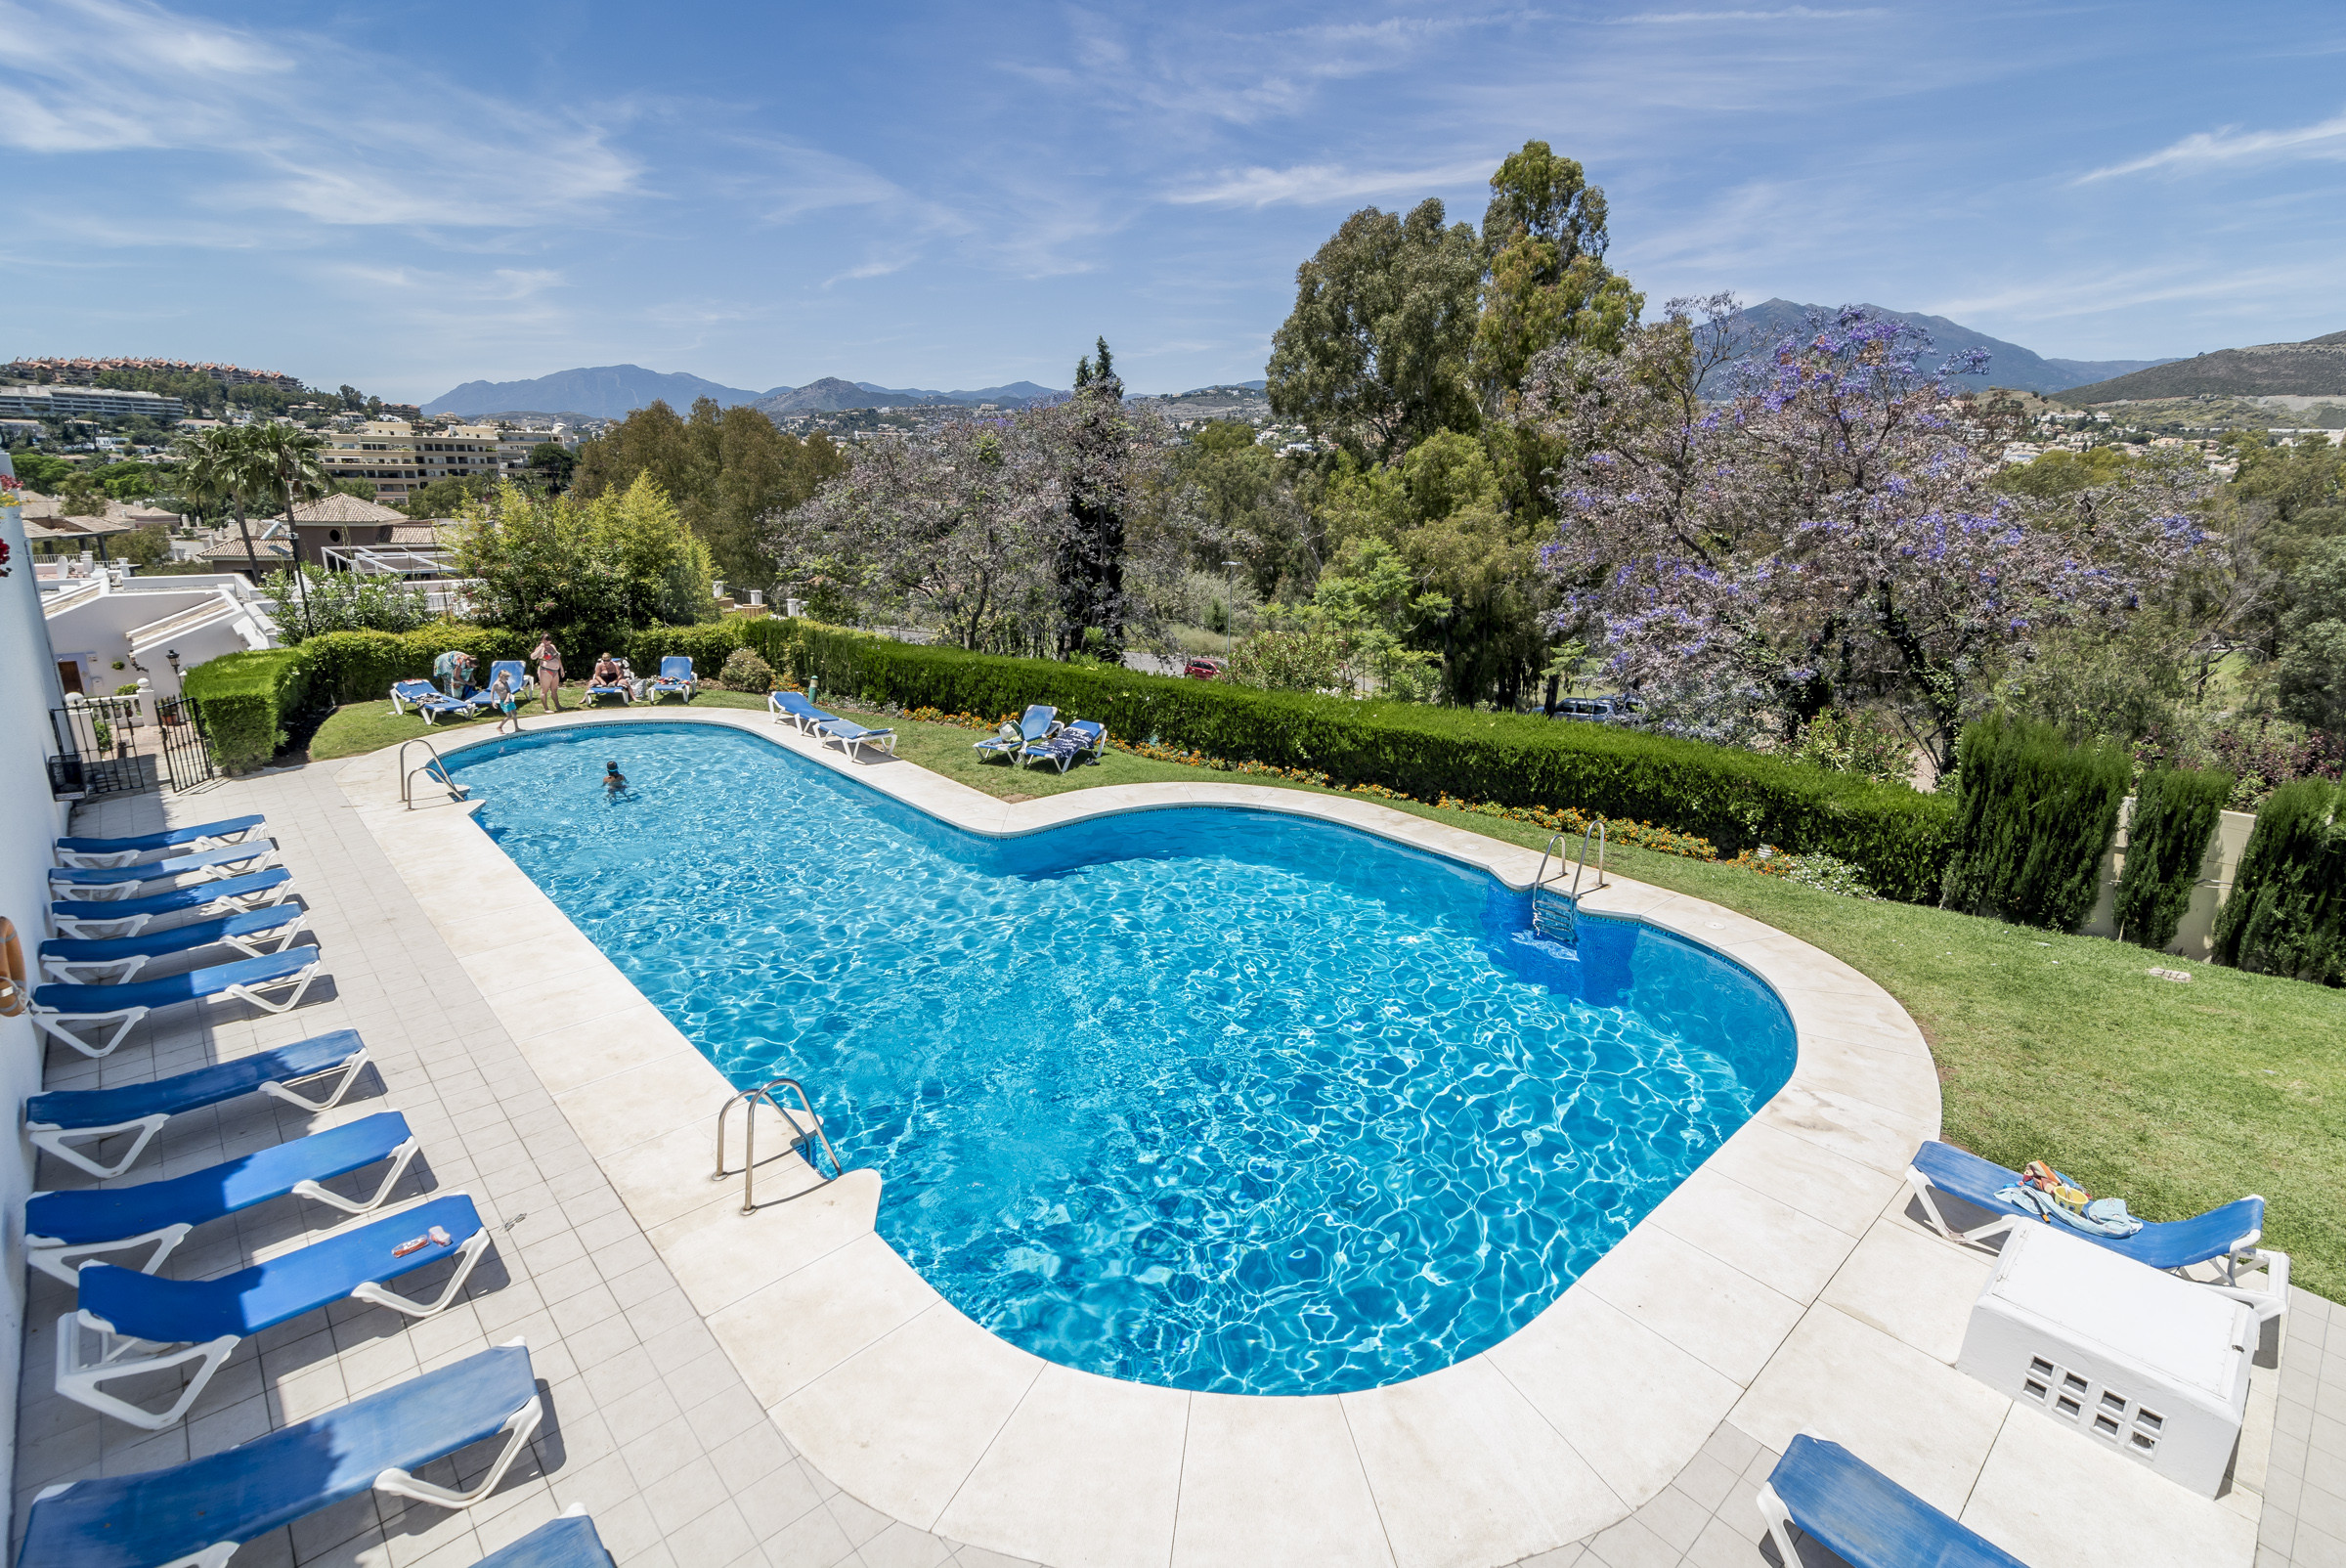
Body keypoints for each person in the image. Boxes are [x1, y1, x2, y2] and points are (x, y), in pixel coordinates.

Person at [530, 634, 563, 713]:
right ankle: (546, 708)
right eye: (545, 640)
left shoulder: (552, 647)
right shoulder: (540, 648)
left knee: (554, 690)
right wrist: (541, 647)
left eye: (548, 639)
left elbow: (558, 657)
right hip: (545, 671)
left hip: (555, 671)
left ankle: (558, 706)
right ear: (542, 640)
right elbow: (533, 657)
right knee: (544, 690)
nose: (547, 642)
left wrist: (561, 668)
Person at [490, 669, 521, 734]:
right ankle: (499, 727)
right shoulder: (496, 684)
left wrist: (507, 698)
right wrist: (493, 702)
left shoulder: (505, 683)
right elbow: (492, 692)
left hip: (509, 700)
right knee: (509, 716)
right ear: (501, 676)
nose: (507, 679)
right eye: (506, 677)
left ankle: (517, 728)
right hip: (503, 702)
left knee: (514, 713)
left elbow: (509, 691)